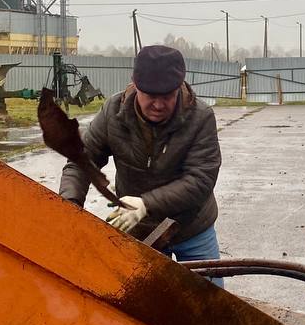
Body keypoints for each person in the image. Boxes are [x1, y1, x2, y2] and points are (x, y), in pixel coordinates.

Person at [59, 45, 223, 281]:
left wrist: (146, 204)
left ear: (179, 87)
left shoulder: (200, 117)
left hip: (192, 227)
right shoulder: (113, 112)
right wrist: (69, 205)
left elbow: (201, 180)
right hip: (139, 231)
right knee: (140, 298)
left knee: (210, 299)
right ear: (135, 84)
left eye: (167, 96)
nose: (158, 105)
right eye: (151, 96)